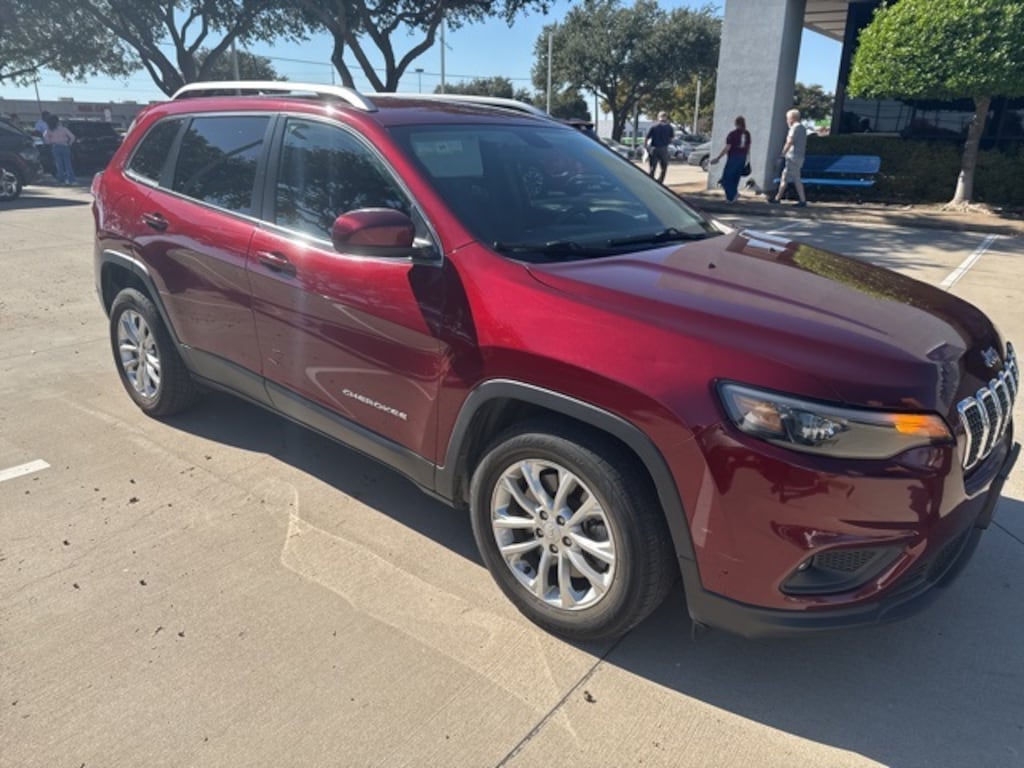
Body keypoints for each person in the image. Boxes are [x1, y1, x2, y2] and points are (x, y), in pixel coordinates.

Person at [768, 108, 807, 207]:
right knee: (786, 177)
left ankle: (802, 200)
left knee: (795, 178)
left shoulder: (794, 128)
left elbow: (789, 142)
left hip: (792, 156)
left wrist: (782, 154)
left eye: (788, 118)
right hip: (800, 156)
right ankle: (778, 198)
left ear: (792, 118)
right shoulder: (803, 128)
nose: (787, 121)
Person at [709, 115, 752, 203]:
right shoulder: (747, 134)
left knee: (726, 179)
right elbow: (748, 147)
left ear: (736, 123)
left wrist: (718, 157)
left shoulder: (733, 134)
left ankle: (732, 195)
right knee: (735, 178)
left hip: (734, 157)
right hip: (742, 157)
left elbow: (728, 147)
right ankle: (731, 197)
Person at [44, 114, 77, 185]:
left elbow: (46, 140)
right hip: (65, 146)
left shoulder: (49, 130)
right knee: (68, 164)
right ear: (57, 121)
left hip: (55, 147)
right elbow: (72, 137)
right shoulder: (63, 129)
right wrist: (69, 143)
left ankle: (61, 179)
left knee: (59, 164)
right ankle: (71, 180)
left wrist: (50, 142)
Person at [644, 111, 674, 183]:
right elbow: (671, 139)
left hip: (654, 148)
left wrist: (646, 147)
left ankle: (651, 181)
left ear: (658, 117)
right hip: (664, 149)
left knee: (652, 167)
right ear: (666, 117)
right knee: (664, 167)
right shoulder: (669, 127)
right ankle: (660, 181)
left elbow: (647, 138)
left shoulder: (653, 127)